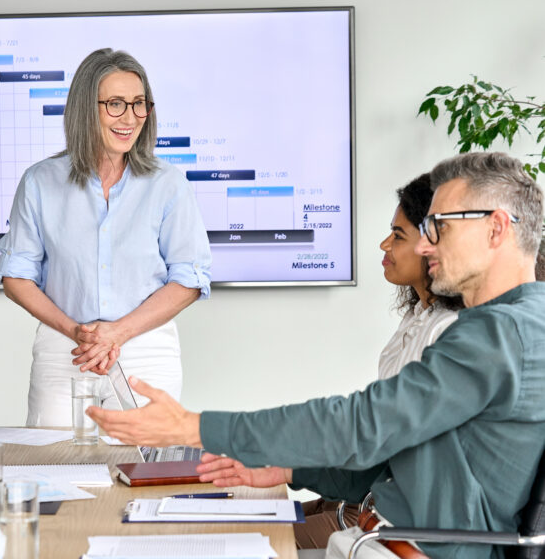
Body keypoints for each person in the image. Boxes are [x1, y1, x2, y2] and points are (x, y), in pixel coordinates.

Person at [89, 152, 545, 559]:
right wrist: (288, 467)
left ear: (497, 227)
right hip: (379, 538)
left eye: (439, 227)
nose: (425, 245)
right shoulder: (508, 323)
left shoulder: (501, 334)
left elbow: (363, 423)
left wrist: (195, 426)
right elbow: (397, 452)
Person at [0, 48, 211, 426]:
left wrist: (118, 333)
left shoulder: (168, 184)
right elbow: (16, 275)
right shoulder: (39, 181)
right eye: (115, 104)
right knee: (53, 468)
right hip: (66, 348)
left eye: (139, 104)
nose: (130, 118)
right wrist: (77, 331)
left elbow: (190, 279)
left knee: (146, 473)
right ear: (84, 108)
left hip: (145, 348)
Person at [296, 172, 464, 549]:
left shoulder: (451, 333)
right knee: (251, 510)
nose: (384, 244)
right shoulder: (421, 315)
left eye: (398, 236)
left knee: (255, 533)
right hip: (371, 499)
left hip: (392, 521)